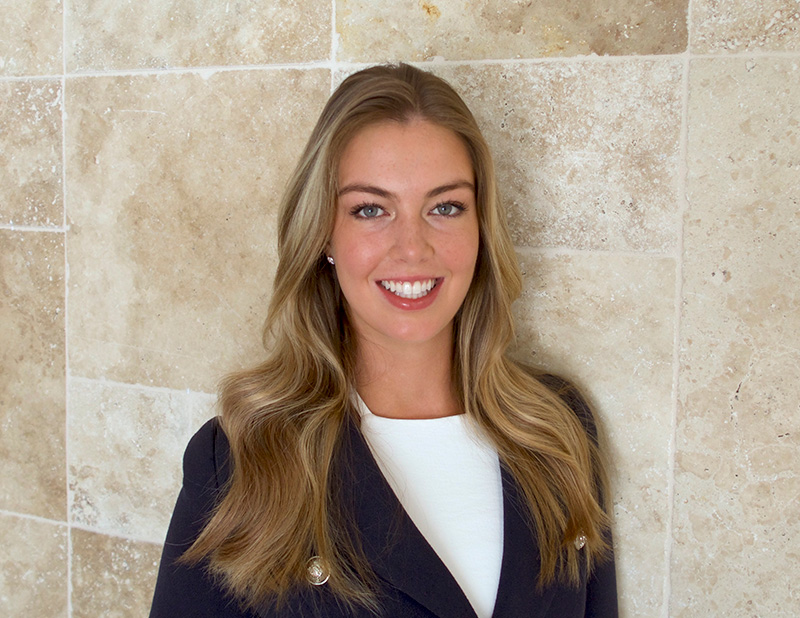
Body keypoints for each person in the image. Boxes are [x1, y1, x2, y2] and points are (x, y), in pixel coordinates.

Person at [150, 63, 617, 618]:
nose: (412, 248)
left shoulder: (559, 431)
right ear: (324, 232)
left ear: (480, 229)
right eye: (370, 209)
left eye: (445, 207)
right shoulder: (242, 459)